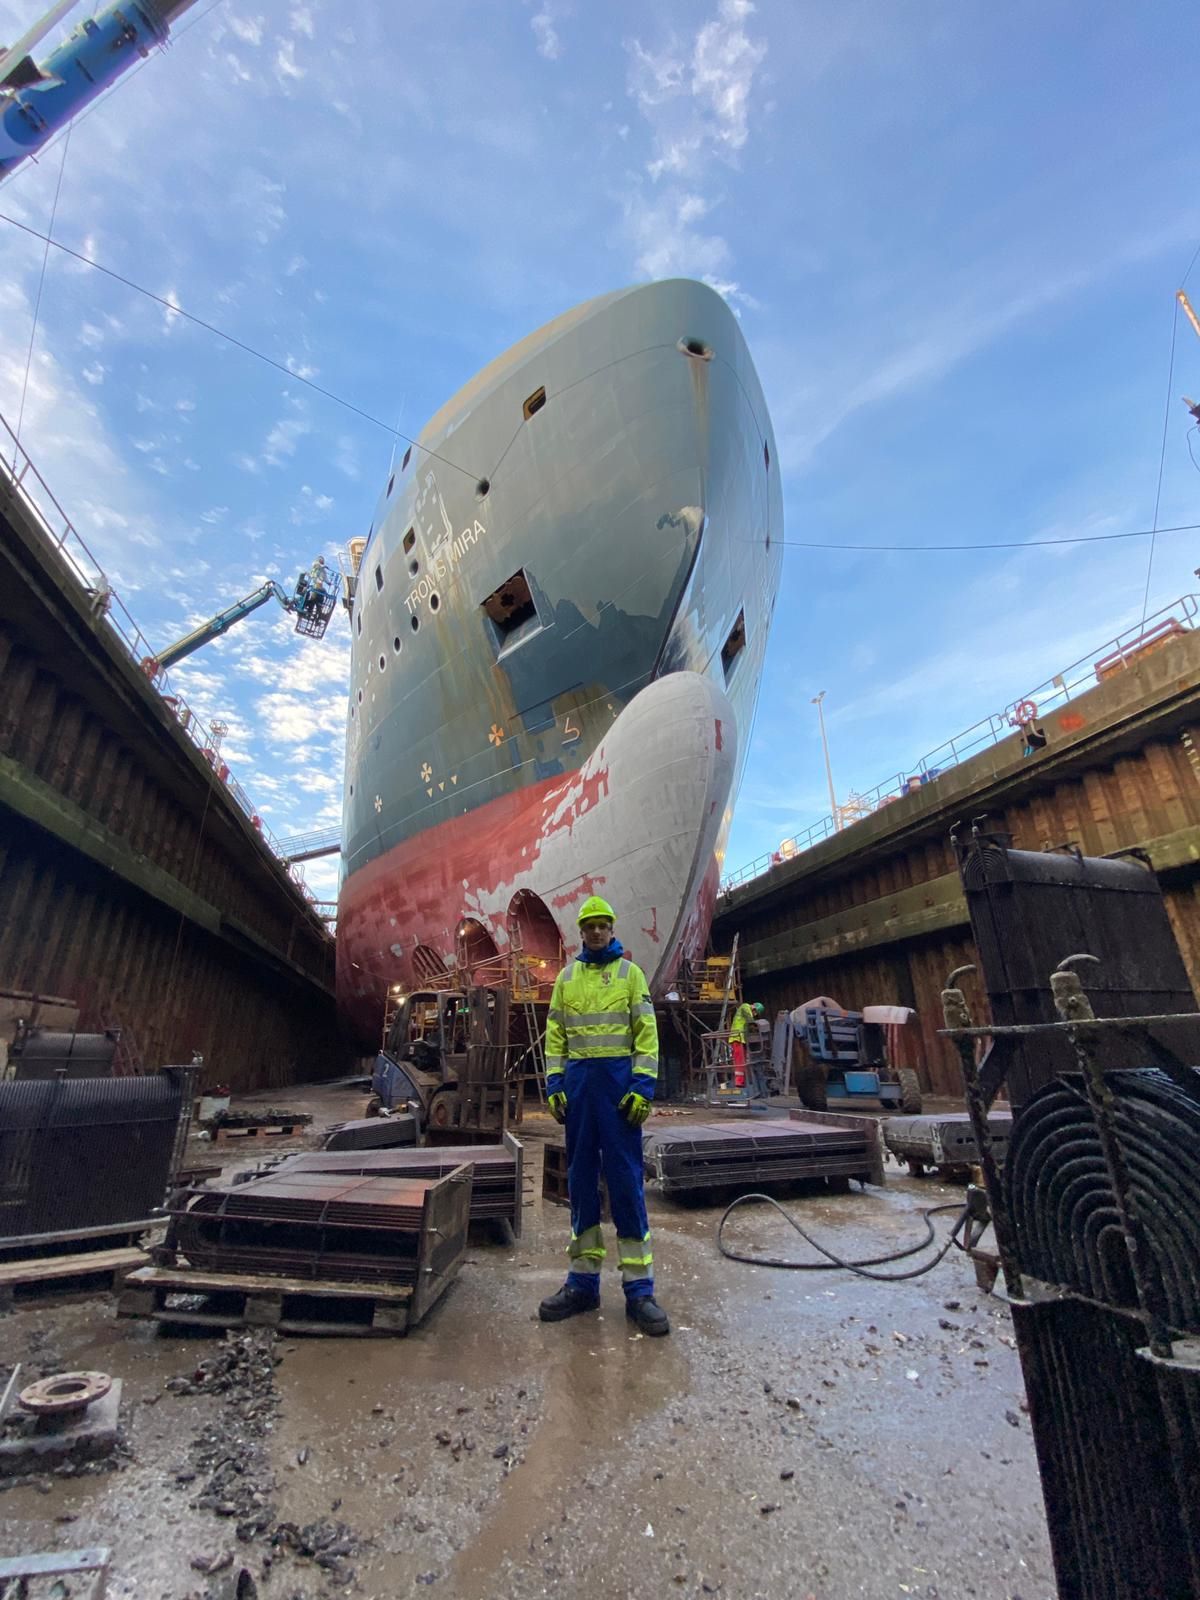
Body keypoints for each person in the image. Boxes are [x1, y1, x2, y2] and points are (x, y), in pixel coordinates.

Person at [538, 896, 669, 1336]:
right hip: (578, 1092)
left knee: (627, 1184)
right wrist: (554, 1085)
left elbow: (646, 1036)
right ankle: (582, 1284)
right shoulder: (566, 979)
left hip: (617, 1094)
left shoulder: (631, 976)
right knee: (580, 1183)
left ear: (612, 929)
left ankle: (639, 1291)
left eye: (602, 925)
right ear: (581, 932)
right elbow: (554, 1037)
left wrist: (642, 1087)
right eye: (589, 926)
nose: (596, 932)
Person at [729, 998, 765, 1091]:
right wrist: (755, 1026)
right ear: (754, 1009)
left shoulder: (748, 1012)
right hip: (737, 1038)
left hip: (741, 1039)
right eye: (755, 1013)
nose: (755, 1015)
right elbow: (749, 1020)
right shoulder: (745, 1006)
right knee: (739, 1061)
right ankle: (739, 1083)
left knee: (743, 1061)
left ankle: (742, 1081)